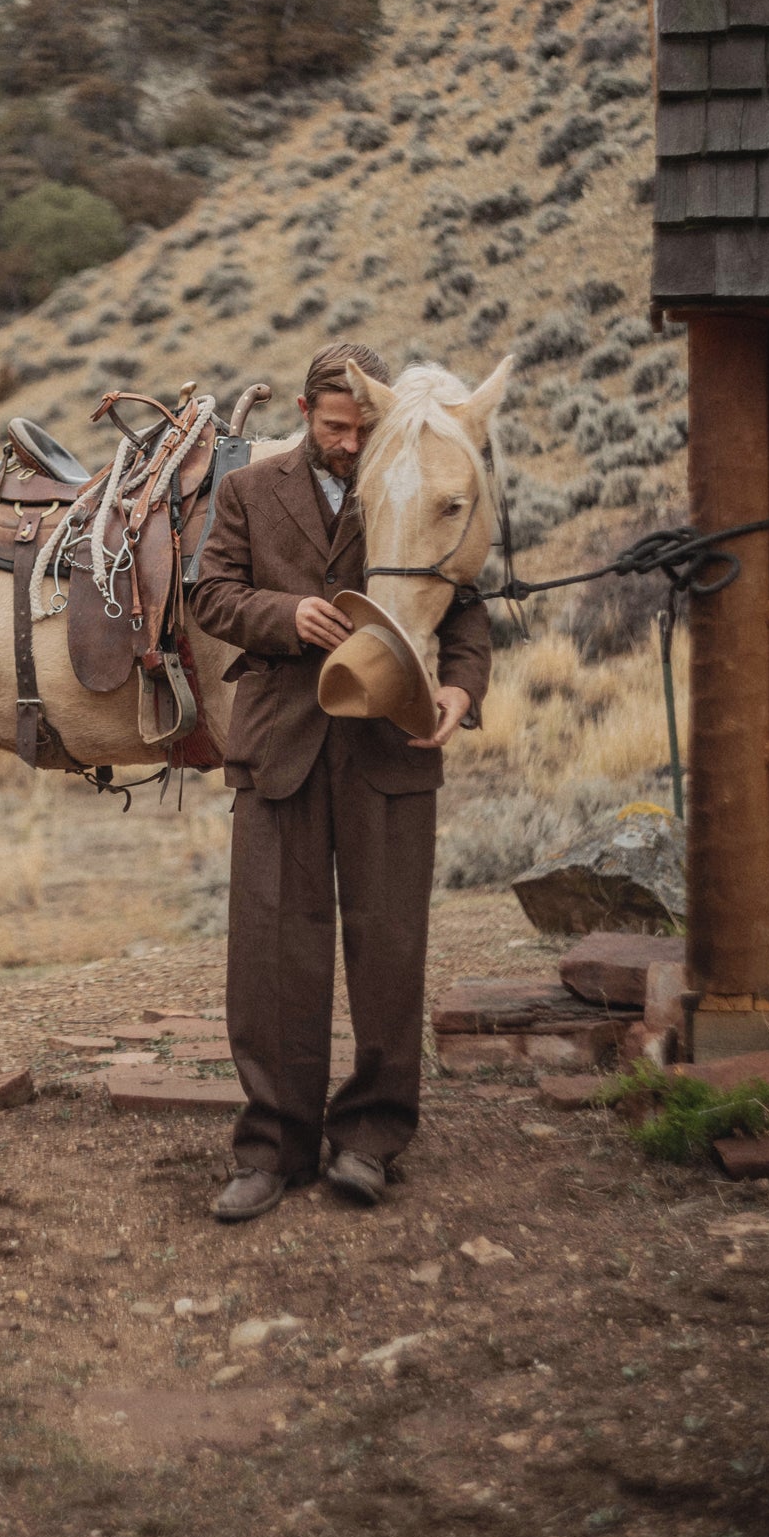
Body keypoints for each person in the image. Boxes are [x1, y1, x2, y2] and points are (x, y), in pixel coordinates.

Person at [188, 341, 492, 1222]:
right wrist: (286, 616)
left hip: (388, 748)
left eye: (362, 429)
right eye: (335, 429)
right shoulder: (247, 492)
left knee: (389, 948)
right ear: (302, 413)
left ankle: (370, 1139)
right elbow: (212, 596)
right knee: (270, 956)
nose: (351, 445)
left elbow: (465, 601)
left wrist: (463, 685)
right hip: (280, 745)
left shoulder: (413, 473)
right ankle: (269, 1148)